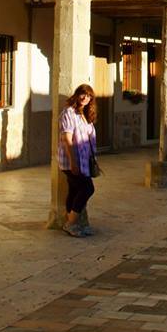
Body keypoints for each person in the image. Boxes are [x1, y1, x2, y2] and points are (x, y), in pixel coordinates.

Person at [57, 83, 97, 237]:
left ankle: (75, 223)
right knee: (87, 188)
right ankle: (71, 223)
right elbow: (67, 139)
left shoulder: (84, 115)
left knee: (74, 191)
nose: (85, 98)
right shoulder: (69, 113)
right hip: (71, 160)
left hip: (84, 161)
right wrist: (73, 162)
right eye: (83, 94)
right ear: (77, 94)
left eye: (88, 96)